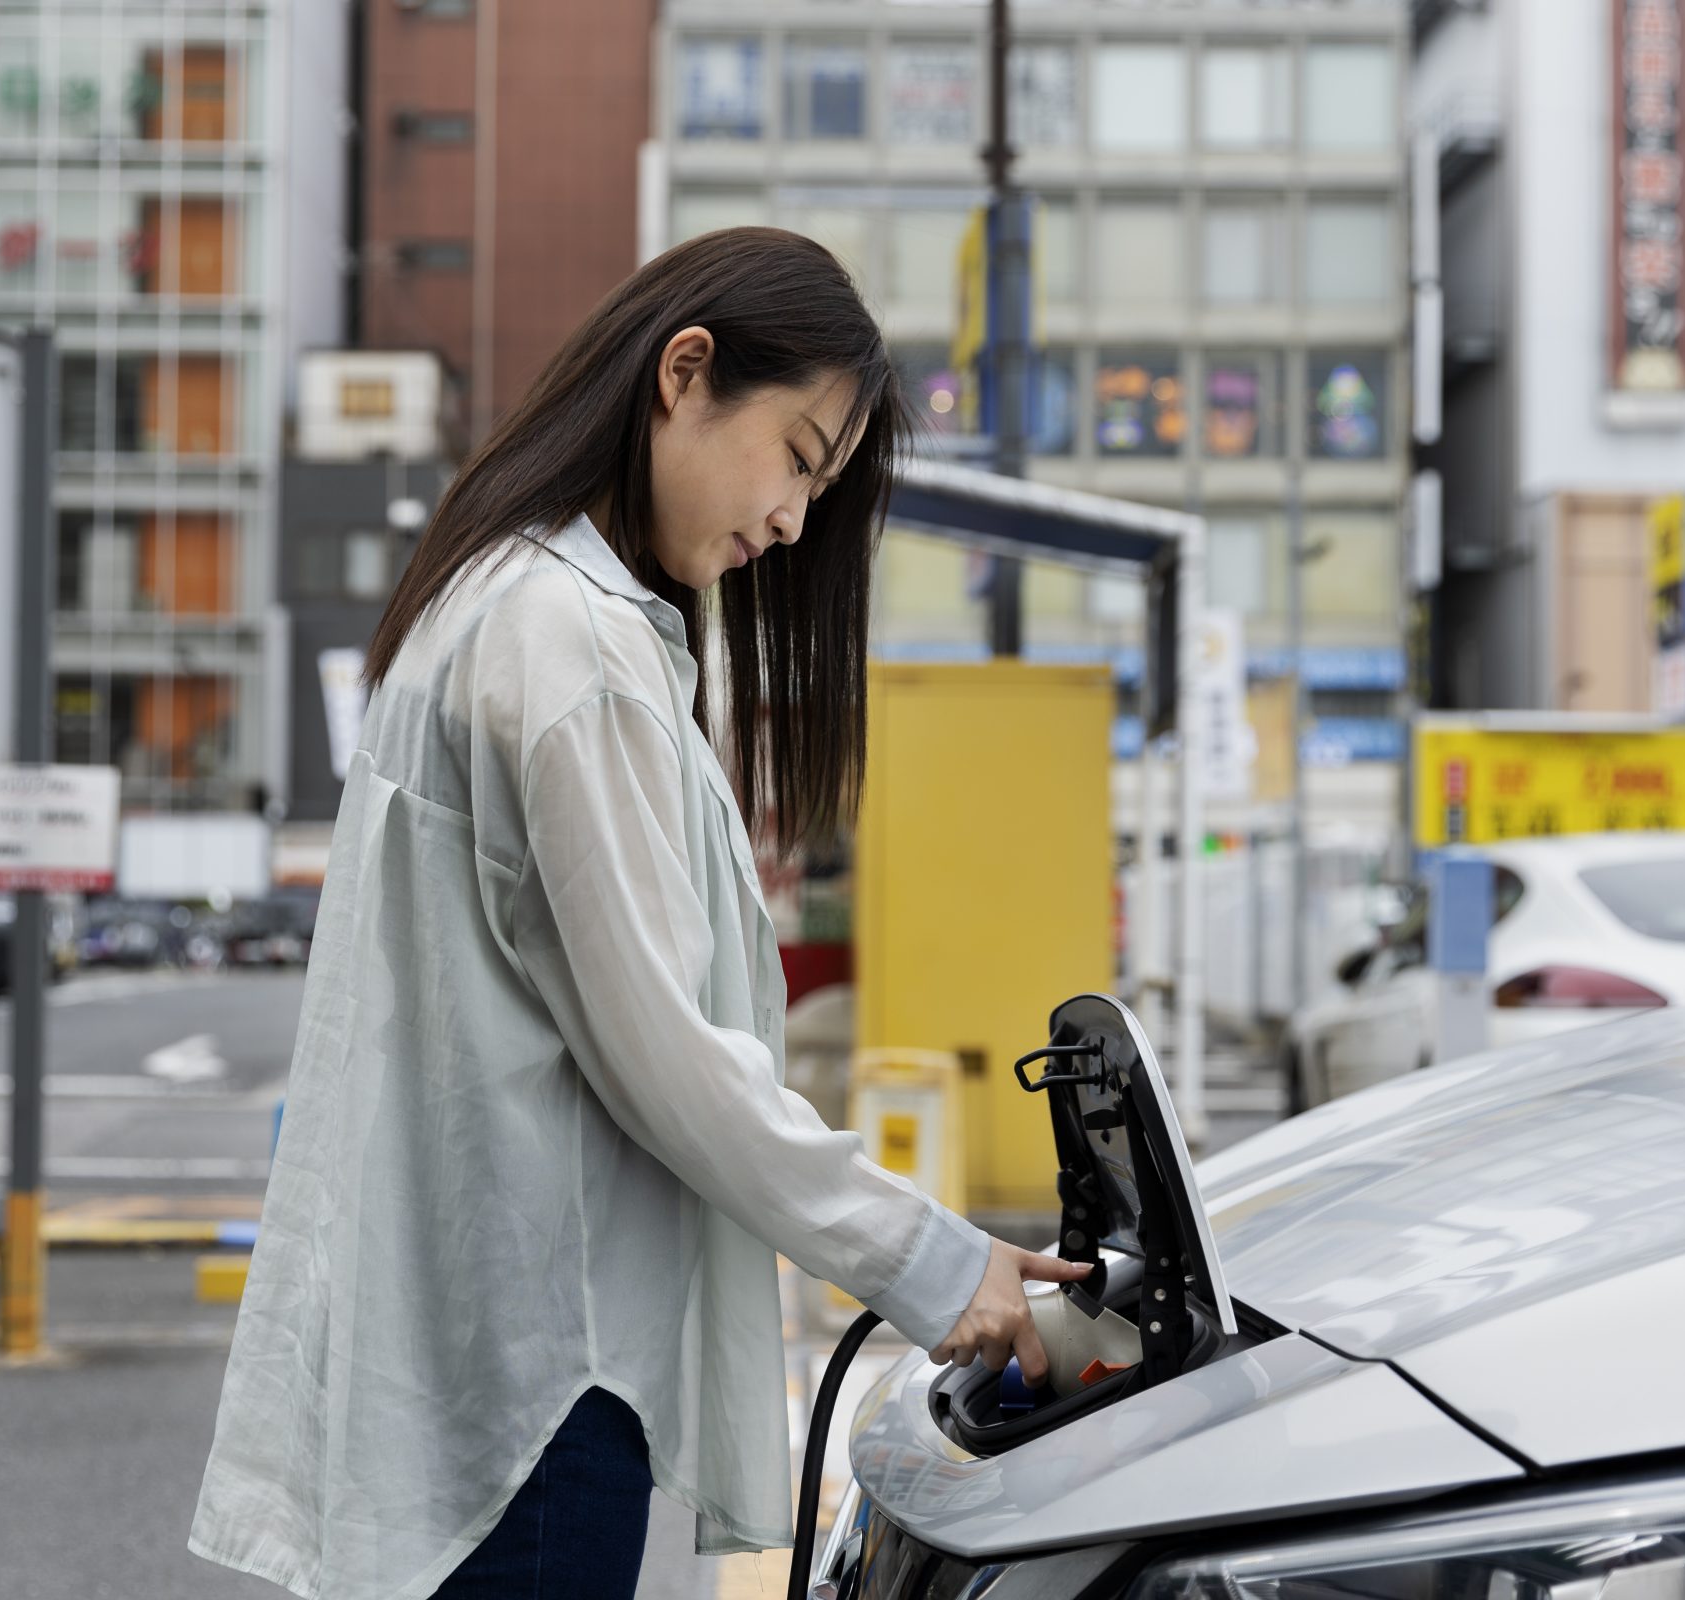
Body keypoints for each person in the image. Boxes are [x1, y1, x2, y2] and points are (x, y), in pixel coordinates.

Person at [188, 227, 1090, 1600]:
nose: (793, 519)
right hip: (537, 1387)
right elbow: (669, 1056)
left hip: (459, 1356)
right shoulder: (576, 649)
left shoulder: (494, 596)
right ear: (686, 375)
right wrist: (930, 1257)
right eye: (798, 454)